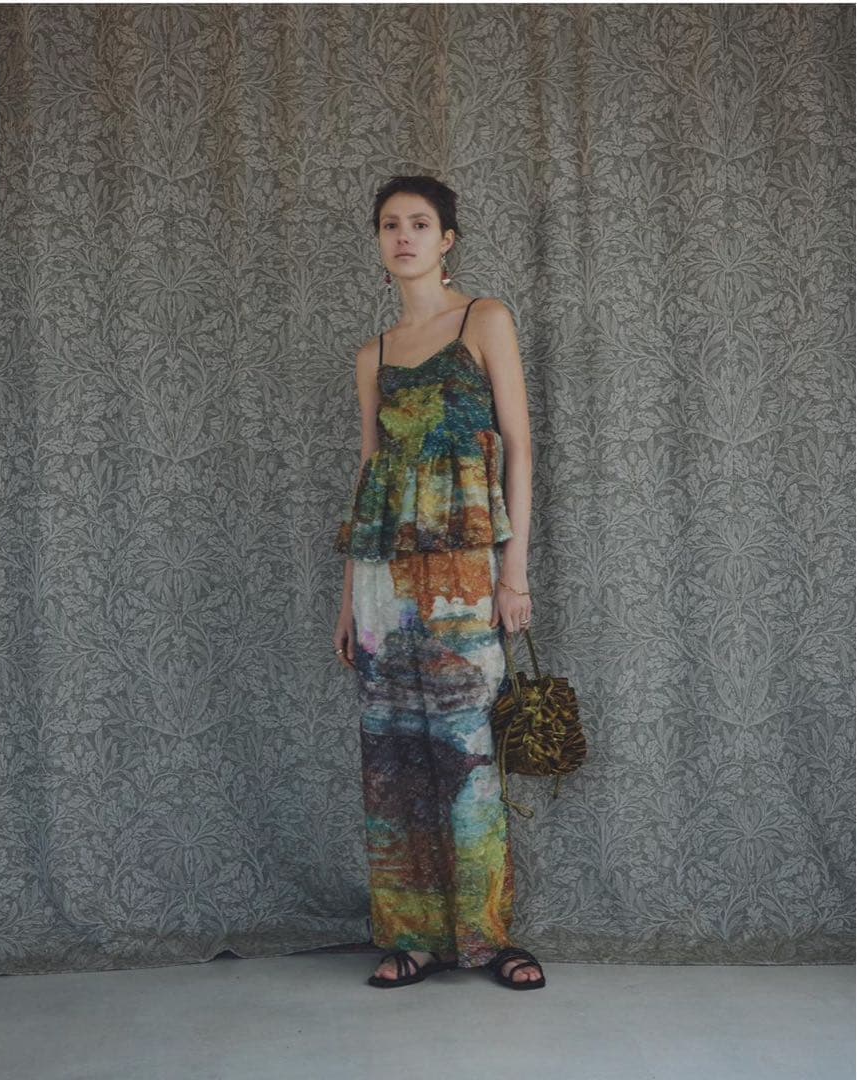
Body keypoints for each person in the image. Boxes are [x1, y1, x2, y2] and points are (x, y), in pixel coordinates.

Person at [332, 175, 545, 991]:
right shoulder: (374, 355)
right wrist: (348, 600)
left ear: (447, 238)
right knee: (393, 755)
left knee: (468, 752)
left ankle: (488, 938)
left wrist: (513, 570)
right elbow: (368, 475)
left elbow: (518, 446)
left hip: (464, 568)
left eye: (420, 223)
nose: (404, 236)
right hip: (383, 579)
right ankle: (413, 937)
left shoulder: (485, 319)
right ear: (379, 241)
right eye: (390, 224)